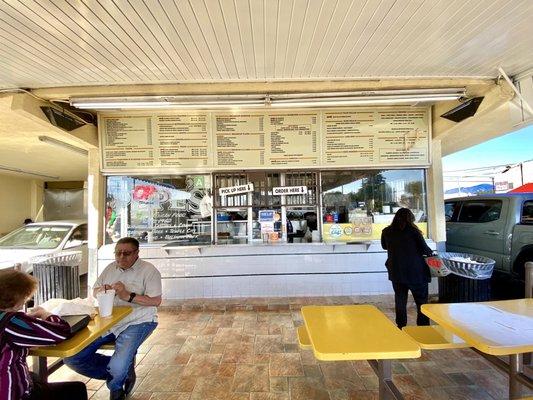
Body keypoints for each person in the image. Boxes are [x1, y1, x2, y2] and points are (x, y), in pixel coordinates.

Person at [64, 237, 161, 400]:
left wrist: (127, 295)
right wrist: (102, 291)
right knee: (73, 358)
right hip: (109, 321)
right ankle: (122, 371)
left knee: (118, 365)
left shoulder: (149, 271)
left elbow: (156, 301)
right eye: (118, 253)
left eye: (126, 253)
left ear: (137, 253)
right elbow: (94, 291)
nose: (121, 257)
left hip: (138, 320)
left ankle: (116, 388)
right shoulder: (110, 268)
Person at [0, 269, 87, 400]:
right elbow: (61, 332)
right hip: (12, 393)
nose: (25, 301)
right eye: (25, 297)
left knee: (35, 377)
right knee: (76, 389)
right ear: (15, 297)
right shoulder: (11, 323)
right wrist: (46, 314)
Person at [381, 208, 433, 329]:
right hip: (416, 273)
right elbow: (425, 250)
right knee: (421, 302)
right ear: (410, 218)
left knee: (400, 301)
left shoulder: (386, 231)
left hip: (397, 272)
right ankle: (423, 328)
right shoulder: (414, 232)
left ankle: (401, 326)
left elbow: (384, 246)